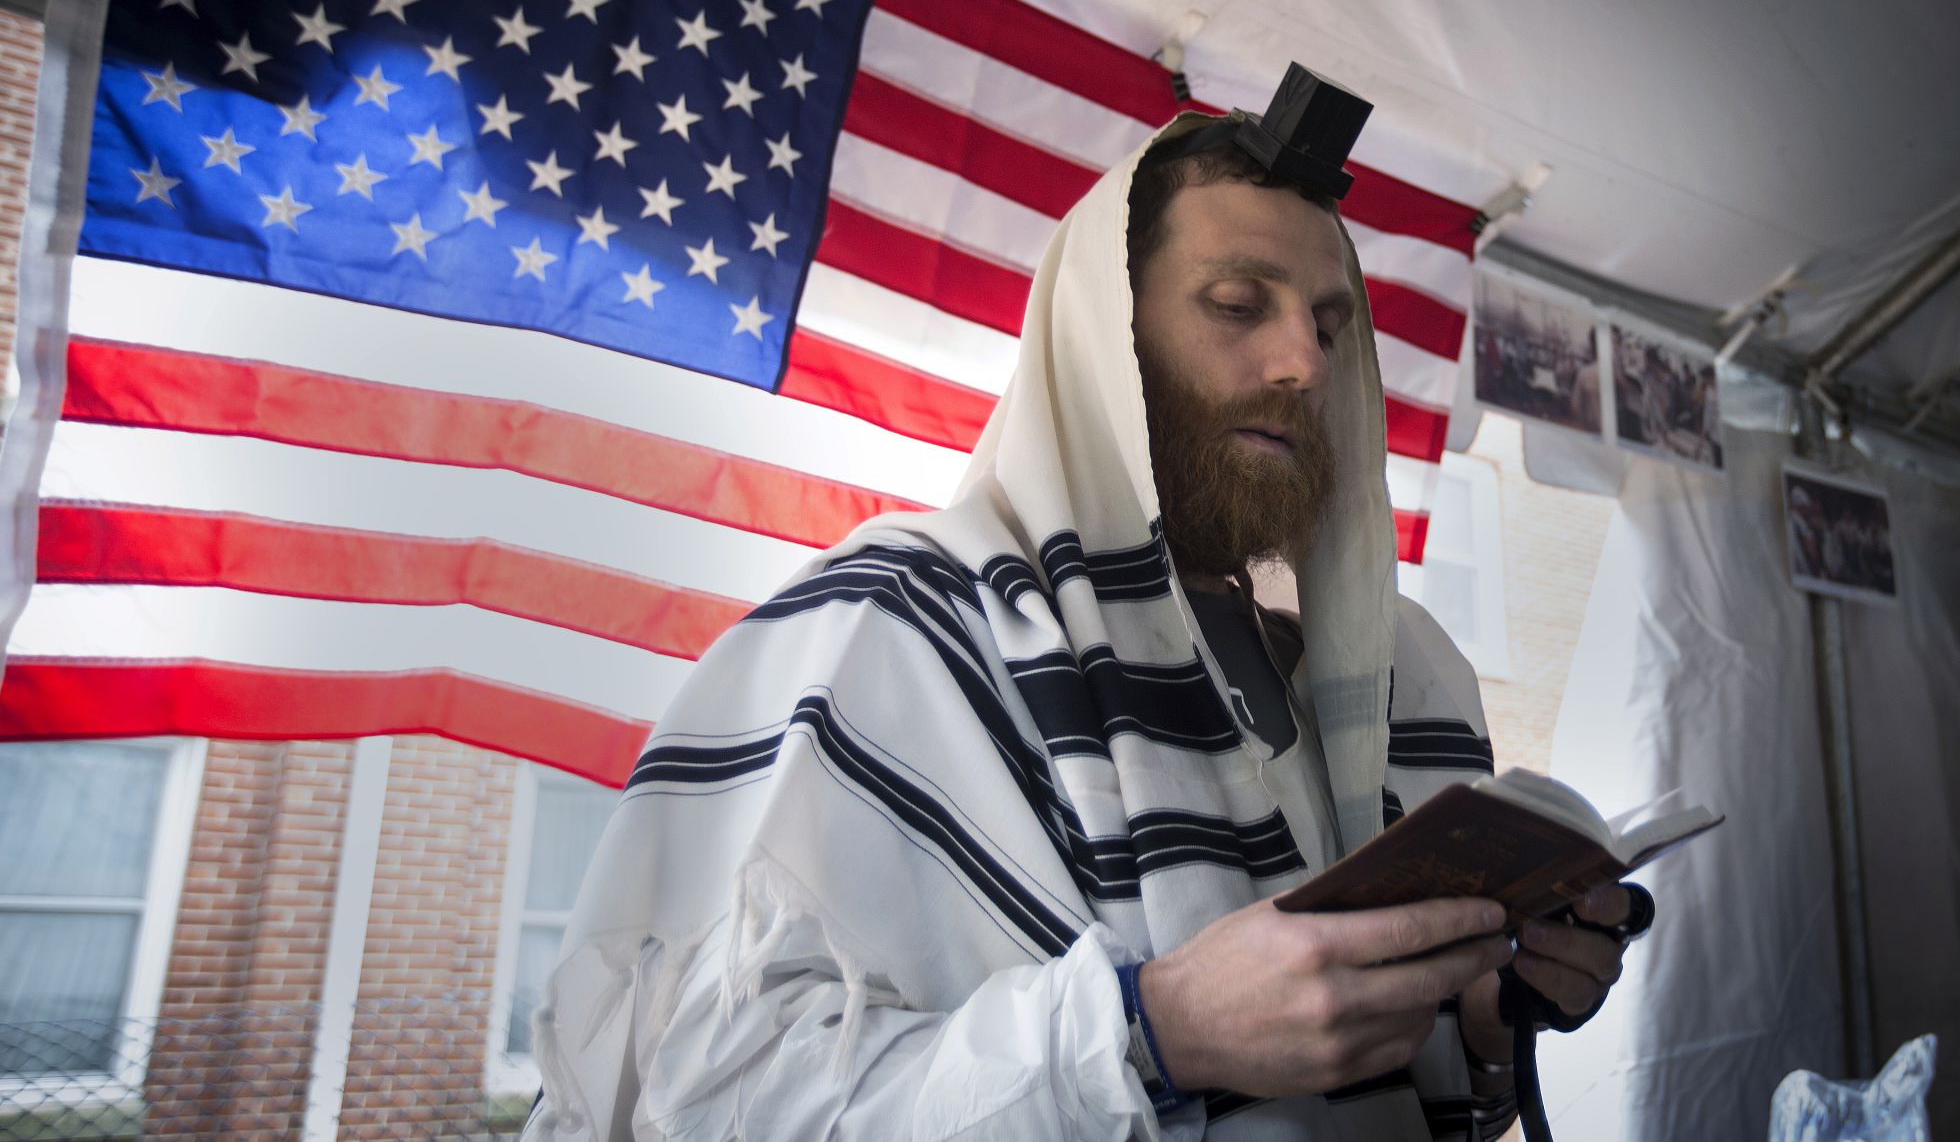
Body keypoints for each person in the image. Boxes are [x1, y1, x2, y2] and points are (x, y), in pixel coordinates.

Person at [521, 103, 1639, 1141]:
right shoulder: (908, 615)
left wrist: (1488, 1017)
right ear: (1105, 342)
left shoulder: (1406, 673)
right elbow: (712, 1087)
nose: (1302, 361)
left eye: (1329, 325)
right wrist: (1150, 1029)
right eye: (1238, 305)